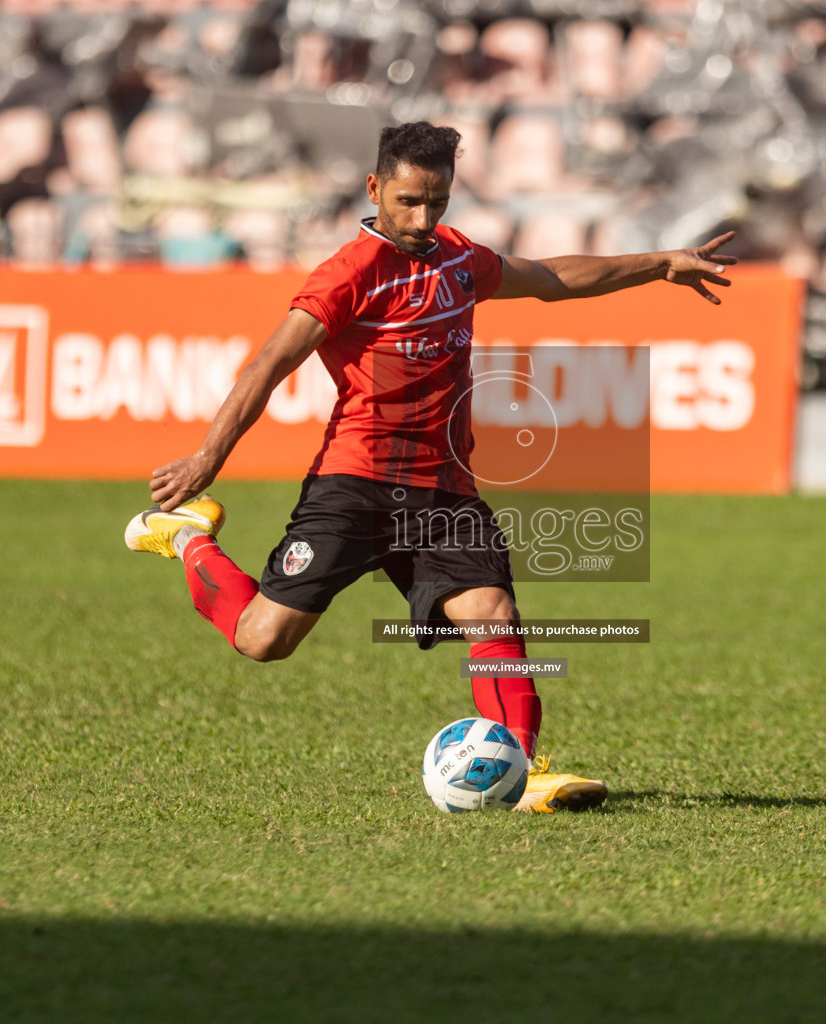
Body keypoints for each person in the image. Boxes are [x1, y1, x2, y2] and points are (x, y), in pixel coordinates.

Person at [123, 121, 736, 812]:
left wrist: (658, 264)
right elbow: (271, 362)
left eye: (436, 202)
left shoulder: (457, 258)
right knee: (263, 640)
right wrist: (209, 457)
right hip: (354, 483)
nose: (422, 218)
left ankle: (521, 770)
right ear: (375, 188)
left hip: (444, 487)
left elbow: (552, 279)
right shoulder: (349, 274)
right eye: (409, 201)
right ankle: (188, 536)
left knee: (492, 611)